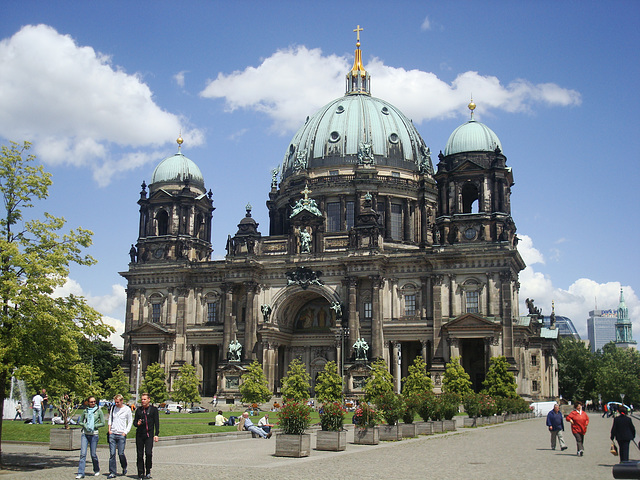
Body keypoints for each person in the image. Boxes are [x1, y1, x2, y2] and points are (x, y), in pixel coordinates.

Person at [76, 396, 105, 479]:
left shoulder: (99, 411)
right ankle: (81, 472)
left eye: (94, 401)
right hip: (85, 433)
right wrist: (85, 425)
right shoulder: (85, 411)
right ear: (88, 403)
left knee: (93, 454)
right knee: (83, 454)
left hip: (94, 434)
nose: (93, 403)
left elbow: (103, 423)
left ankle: (96, 469)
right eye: (91, 402)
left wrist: (95, 426)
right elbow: (80, 422)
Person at [134, 393, 159, 480]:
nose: (143, 401)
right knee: (139, 454)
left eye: (144, 399)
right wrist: (137, 423)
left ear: (149, 400)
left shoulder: (153, 410)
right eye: (142, 399)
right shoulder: (139, 410)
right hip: (140, 435)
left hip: (149, 435)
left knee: (148, 453)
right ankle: (140, 472)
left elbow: (157, 422)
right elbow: (135, 423)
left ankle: (148, 470)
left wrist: (156, 434)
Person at [107, 394, 133, 479]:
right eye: (115, 402)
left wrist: (125, 432)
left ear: (122, 401)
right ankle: (112, 472)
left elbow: (130, 421)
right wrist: (109, 430)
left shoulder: (127, 409)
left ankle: (124, 466)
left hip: (121, 434)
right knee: (112, 453)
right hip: (113, 433)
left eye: (118, 402)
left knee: (121, 453)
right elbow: (110, 419)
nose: (116, 404)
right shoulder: (113, 408)